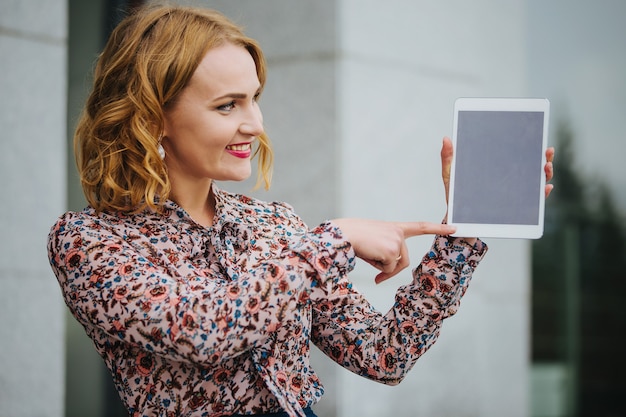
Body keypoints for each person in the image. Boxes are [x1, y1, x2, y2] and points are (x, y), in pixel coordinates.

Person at [47, 4, 555, 417]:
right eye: (228, 105)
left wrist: (466, 225)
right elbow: (202, 330)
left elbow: (384, 354)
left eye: (255, 99)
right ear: (154, 117)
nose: (255, 124)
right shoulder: (88, 242)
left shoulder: (274, 226)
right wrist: (332, 239)